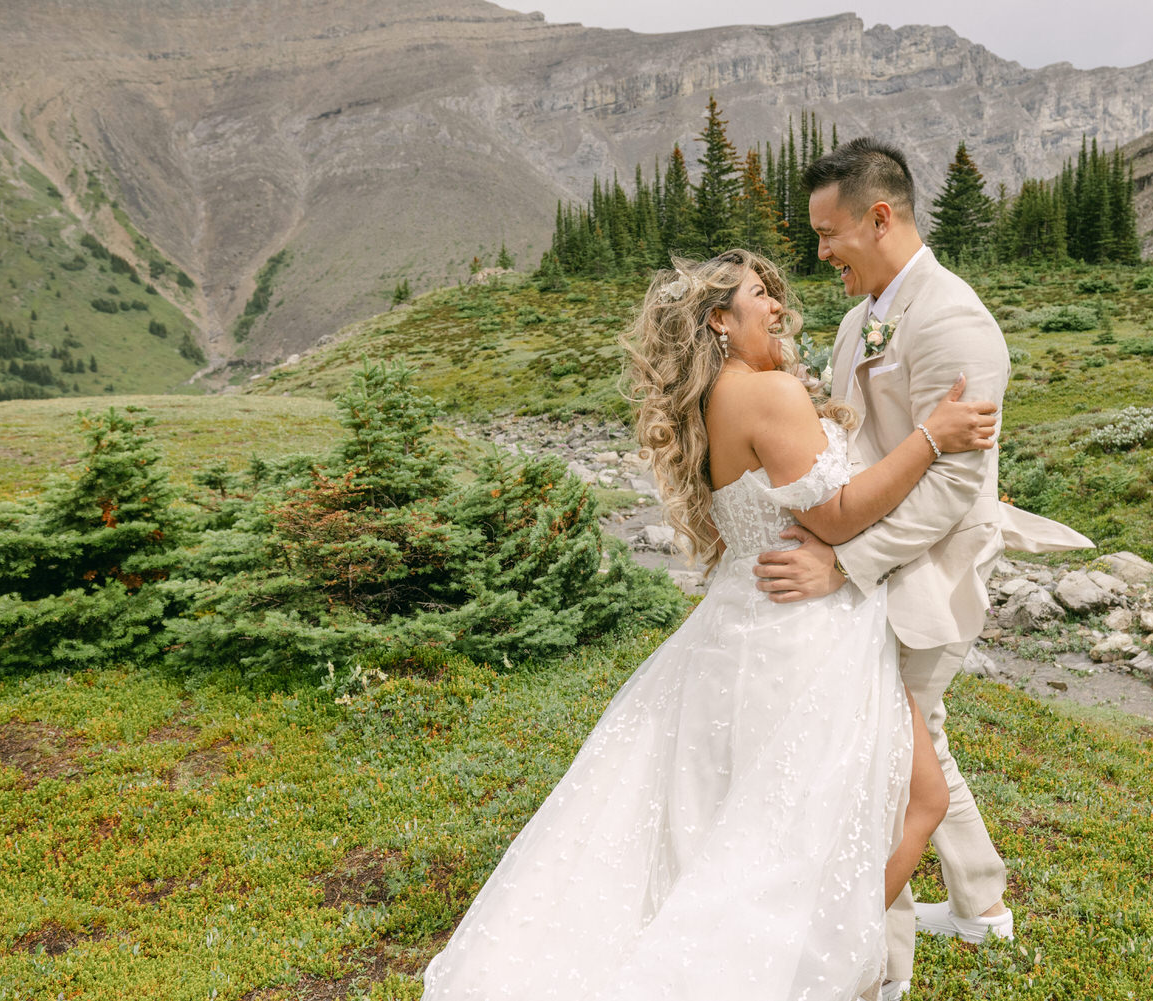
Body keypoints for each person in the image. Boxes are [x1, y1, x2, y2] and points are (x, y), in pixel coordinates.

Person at [422, 248, 1001, 1000]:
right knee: (899, 806)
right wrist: (933, 435)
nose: (779, 308)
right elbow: (841, 512)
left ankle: (822, 965)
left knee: (742, 830)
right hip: (806, 630)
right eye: (761, 296)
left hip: (739, 624)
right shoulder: (766, 393)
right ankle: (811, 972)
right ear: (720, 320)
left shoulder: (712, 400)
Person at [752, 138, 1091, 1000]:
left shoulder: (954, 321)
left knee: (884, 753)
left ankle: (881, 967)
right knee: (914, 739)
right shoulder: (856, 313)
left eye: (830, 233)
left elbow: (957, 483)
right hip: (877, 550)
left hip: (931, 569)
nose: (819, 251)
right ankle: (980, 903)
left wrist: (846, 560)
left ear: (880, 216)